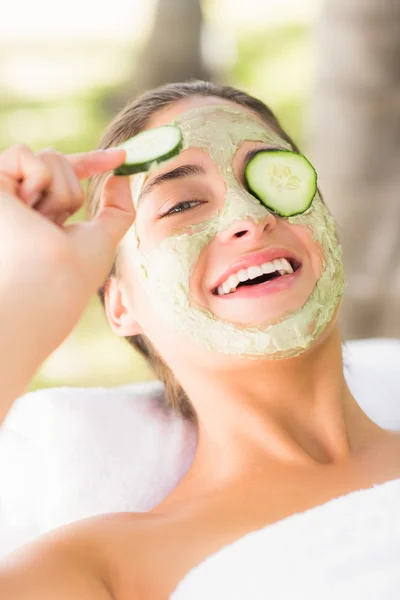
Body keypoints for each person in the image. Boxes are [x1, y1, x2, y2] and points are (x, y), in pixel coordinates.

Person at [1, 80, 400, 599]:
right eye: (182, 204)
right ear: (120, 303)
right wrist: (26, 295)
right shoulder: (106, 568)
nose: (250, 217)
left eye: (271, 178)